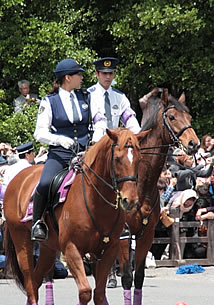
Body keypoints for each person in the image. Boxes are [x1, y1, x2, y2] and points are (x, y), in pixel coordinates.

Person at [31, 58, 96, 241]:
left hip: (85, 152)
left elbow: (98, 121)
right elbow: (39, 133)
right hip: (61, 154)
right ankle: (38, 223)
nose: (81, 78)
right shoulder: (49, 101)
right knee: (44, 183)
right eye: (78, 74)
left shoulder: (86, 96)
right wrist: (59, 139)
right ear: (68, 77)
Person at [88, 57, 140, 142]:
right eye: (104, 73)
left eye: (111, 73)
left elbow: (129, 118)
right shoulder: (89, 95)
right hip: (95, 141)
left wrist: (138, 135)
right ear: (97, 74)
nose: (108, 77)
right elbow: (98, 120)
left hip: (115, 142)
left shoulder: (120, 97)